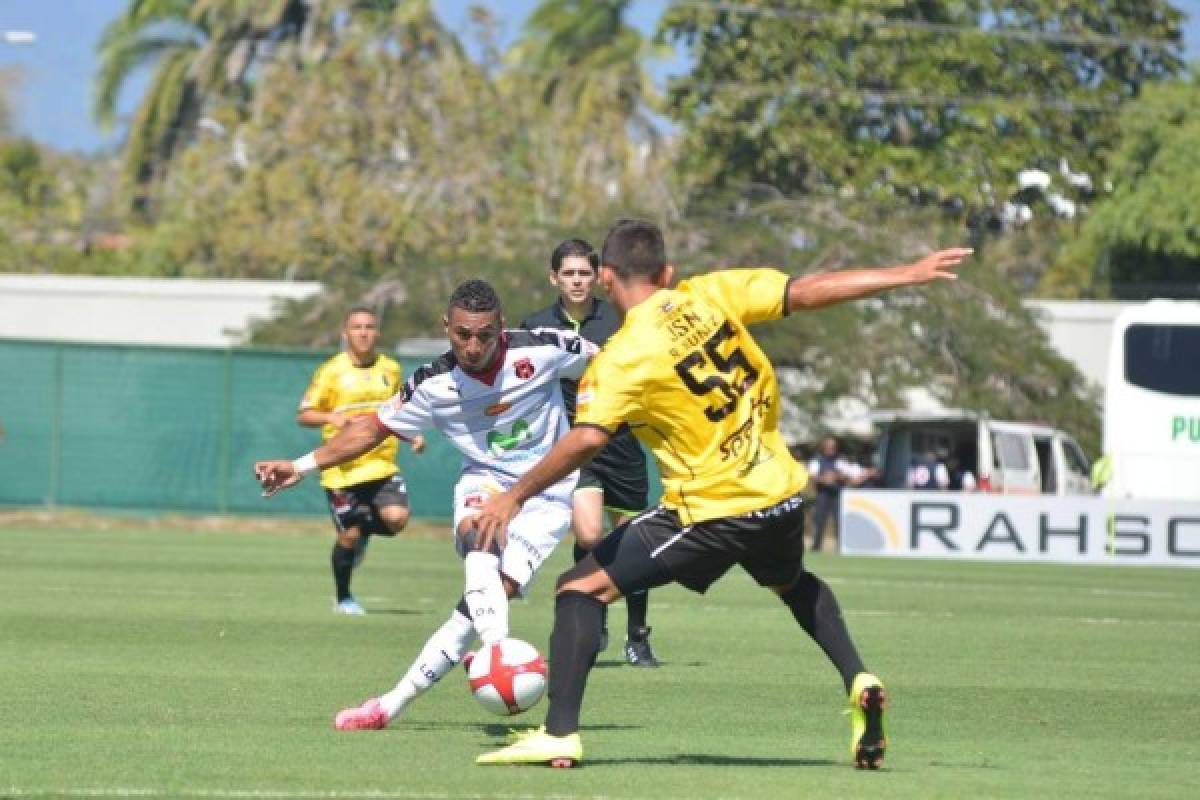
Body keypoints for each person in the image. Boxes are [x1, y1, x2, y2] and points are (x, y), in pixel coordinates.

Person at [469, 218, 972, 769]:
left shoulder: (622, 356)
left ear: (606, 277)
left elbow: (588, 437)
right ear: (667, 272)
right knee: (791, 582)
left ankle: (560, 734)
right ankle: (858, 677)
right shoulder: (709, 293)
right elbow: (803, 291)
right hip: (780, 494)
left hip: (712, 511)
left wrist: (513, 495)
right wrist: (906, 274)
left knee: (579, 588)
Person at [255, 279, 598, 731]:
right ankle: (499, 653)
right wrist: (300, 466)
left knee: (481, 604)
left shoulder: (545, 347)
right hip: (486, 482)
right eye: (462, 334)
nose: (473, 345)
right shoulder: (432, 384)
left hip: (547, 492)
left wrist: (598, 415)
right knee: (480, 537)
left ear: (501, 326)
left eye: (484, 334)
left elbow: (615, 363)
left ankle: (388, 706)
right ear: (446, 327)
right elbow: (368, 430)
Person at [522, 238, 658, 667]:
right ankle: (593, 612)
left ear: (597, 277)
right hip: (575, 446)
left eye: (584, 273)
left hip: (622, 445)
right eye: (569, 274)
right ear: (554, 277)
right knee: (588, 534)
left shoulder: (620, 320)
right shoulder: (537, 326)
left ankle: (637, 637)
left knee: (637, 542)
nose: (577, 281)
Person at [297, 306, 425, 615]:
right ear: (345, 333)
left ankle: (363, 532)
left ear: (377, 332)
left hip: (380, 465)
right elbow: (304, 414)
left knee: (396, 519)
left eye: (369, 326)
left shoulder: (391, 369)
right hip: (341, 470)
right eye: (357, 327)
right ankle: (344, 598)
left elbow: (400, 410)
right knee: (349, 535)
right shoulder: (331, 371)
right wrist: (331, 417)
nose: (364, 332)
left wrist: (413, 434)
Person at [806, 435, 870, 552]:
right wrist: (825, 479)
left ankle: (841, 547)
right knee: (819, 520)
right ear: (824, 447)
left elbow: (848, 476)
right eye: (829, 447)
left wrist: (836, 476)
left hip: (837, 494)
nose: (831, 449)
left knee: (839, 521)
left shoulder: (840, 461)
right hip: (823, 494)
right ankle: (816, 546)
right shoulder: (817, 460)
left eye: (833, 447)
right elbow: (813, 476)